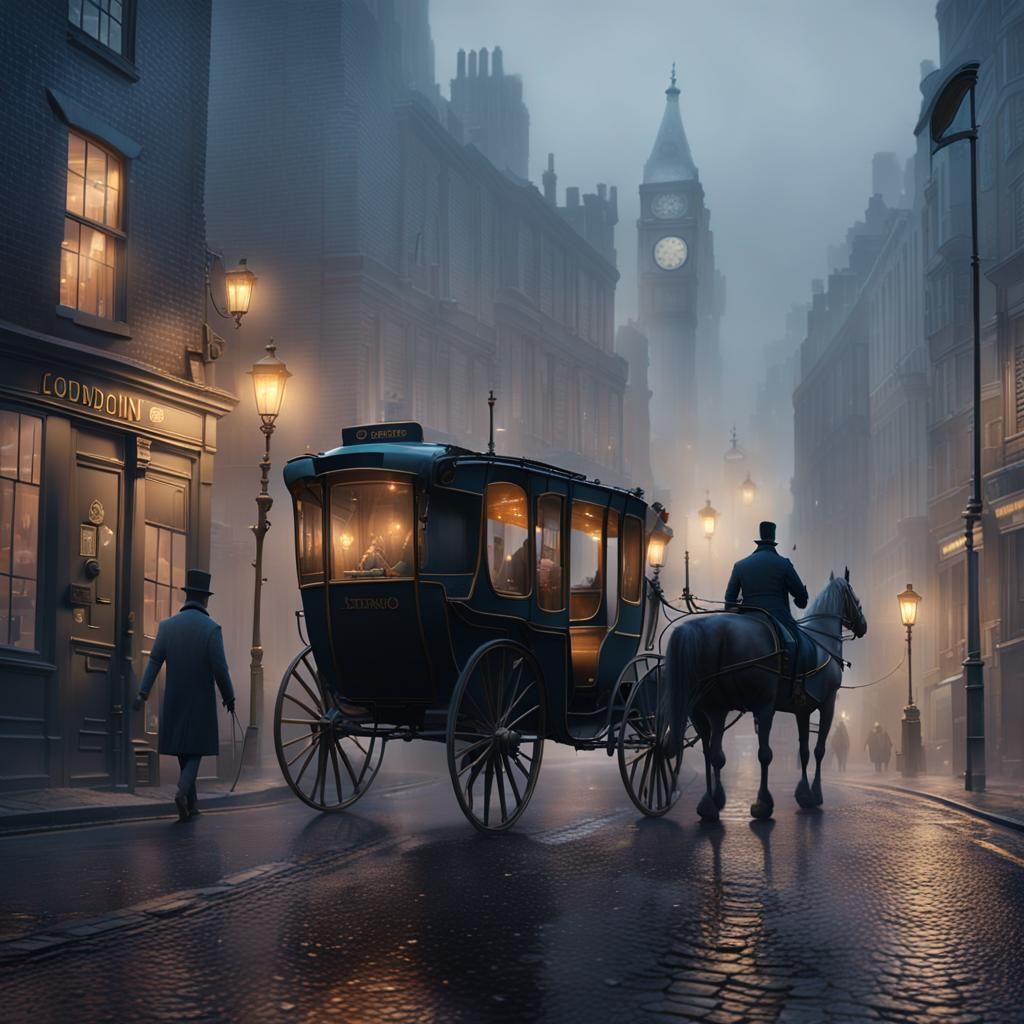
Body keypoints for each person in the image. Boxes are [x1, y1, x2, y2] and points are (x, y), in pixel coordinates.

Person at [133, 569, 235, 822]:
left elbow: (155, 661)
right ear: (205, 599)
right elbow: (220, 668)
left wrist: (143, 692)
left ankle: (192, 804)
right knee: (196, 750)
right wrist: (229, 697)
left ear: (187, 596)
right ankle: (181, 792)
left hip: (175, 697)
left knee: (183, 748)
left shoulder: (167, 627)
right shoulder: (212, 629)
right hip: (200, 699)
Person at [724, 521, 809, 692]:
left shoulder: (741, 565)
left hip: (747, 618)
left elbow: (729, 602)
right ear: (773, 539)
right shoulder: (784, 564)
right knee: (798, 643)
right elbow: (801, 599)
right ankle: (796, 685)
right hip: (779, 619)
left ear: (760, 539)